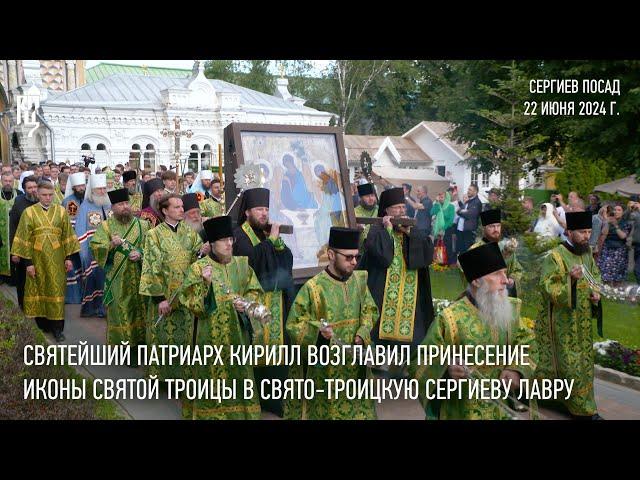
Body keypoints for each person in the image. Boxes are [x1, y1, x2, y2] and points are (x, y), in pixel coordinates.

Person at [410, 242, 536, 420]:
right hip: (461, 410)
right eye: (496, 274)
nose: (506, 280)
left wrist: (517, 370)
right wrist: (447, 370)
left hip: (501, 411)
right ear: (476, 281)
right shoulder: (450, 318)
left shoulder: (511, 311)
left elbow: (528, 343)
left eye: (505, 272)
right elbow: (421, 360)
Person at [285, 227, 379, 420]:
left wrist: (362, 332)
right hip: (326, 373)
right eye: (348, 257)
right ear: (331, 255)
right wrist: (318, 333)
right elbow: (294, 324)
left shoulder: (359, 282)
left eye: (356, 257)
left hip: (356, 369)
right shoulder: (313, 288)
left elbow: (370, 310)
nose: (354, 262)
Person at [179, 215, 264, 420]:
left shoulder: (242, 265)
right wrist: (205, 284)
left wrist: (245, 304)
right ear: (211, 244)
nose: (229, 244)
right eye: (223, 241)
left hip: (237, 338)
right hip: (209, 339)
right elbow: (190, 302)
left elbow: (256, 293)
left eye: (231, 240)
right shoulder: (198, 269)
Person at [358, 187, 434, 375]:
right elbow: (383, 257)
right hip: (383, 293)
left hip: (409, 296)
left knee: (411, 332)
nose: (402, 211)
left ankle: (405, 368)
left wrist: (410, 234)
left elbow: (425, 257)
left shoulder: (411, 230)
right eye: (397, 208)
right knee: (380, 331)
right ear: (386, 211)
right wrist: (388, 232)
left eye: (403, 207)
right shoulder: (377, 231)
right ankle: (378, 367)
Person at [233, 187, 295, 417]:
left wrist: (276, 244)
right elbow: (251, 264)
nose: (264, 213)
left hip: (275, 304)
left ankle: (273, 400)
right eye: (259, 209)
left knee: (276, 355)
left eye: (267, 209)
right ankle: (255, 399)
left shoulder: (264, 233)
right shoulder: (239, 235)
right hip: (252, 304)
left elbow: (286, 260)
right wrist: (271, 242)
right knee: (255, 353)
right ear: (247, 211)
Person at [537, 211, 604, 420]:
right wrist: (570, 279)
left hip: (582, 321)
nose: (586, 236)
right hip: (562, 322)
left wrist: (596, 294)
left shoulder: (586, 253)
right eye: (582, 232)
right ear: (569, 232)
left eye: (589, 232)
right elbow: (546, 285)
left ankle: (581, 403)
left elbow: (595, 277)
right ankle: (582, 411)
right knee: (570, 363)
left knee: (584, 362)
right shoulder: (555, 256)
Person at [139, 194, 203, 384]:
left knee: (183, 339)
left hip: (185, 296)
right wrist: (160, 299)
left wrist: (202, 252)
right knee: (162, 340)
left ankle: (181, 378)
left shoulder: (190, 233)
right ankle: (160, 378)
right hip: (165, 297)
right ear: (165, 210)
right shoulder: (154, 235)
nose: (182, 210)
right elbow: (151, 267)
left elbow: (195, 260)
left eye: (182, 206)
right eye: (176, 207)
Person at [11, 180, 80, 342]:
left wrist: (68, 258)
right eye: (44, 195)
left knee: (56, 292)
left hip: (57, 259)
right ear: (38, 194)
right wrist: (28, 263)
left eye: (50, 195)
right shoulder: (29, 212)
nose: (48, 198)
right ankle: (43, 324)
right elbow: (23, 238)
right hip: (36, 260)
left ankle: (57, 329)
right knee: (39, 290)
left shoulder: (61, 211)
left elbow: (67, 235)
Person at [89, 188, 150, 354]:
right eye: (120, 204)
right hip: (117, 280)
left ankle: (143, 348)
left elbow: (152, 249)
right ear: (113, 207)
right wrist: (110, 245)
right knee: (121, 312)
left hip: (140, 278)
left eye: (126, 203)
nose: (125, 207)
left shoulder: (143, 225)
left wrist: (141, 253)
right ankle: (126, 350)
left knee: (141, 311)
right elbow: (95, 246)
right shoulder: (106, 227)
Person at [468, 209, 523, 298]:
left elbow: (517, 269)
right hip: (483, 298)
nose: (496, 230)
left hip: (504, 296)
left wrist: (512, 280)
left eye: (498, 226)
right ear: (484, 228)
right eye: (492, 226)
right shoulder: (475, 249)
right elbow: (470, 277)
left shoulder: (507, 248)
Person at [9, 175, 39, 308]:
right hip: (23, 247)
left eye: (35, 187)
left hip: (40, 248)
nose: (33, 190)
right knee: (22, 279)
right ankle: (23, 306)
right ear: (24, 189)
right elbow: (13, 227)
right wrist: (14, 251)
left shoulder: (44, 201)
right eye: (29, 187)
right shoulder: (19, 202)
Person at [597, 204, 631, 285]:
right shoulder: (609, 220)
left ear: (623, 212)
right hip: (607, 248)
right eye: (615, 210)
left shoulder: (626, 222)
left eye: (619, 210)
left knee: (618, 273)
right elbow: (603, 233)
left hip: (619, 249)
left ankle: (616, 291)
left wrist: (616, 225)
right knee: (605, 269)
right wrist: (607, 223)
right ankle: (607, 292)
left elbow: (623, 236)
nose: (616, 211)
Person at [455, 183, 483, 255]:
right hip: (461, 230)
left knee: (467, 251)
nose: (468, 191)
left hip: (468, 231)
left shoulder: (477, 202)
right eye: (468, 189)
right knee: (461, 250)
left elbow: (469, 215)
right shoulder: (468, 201)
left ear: (475, 192)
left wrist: (462, 211)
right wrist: (462, 211)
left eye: (470, 190)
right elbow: (458, 211)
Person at [0, 172, 18, 283]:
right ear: (1, 182)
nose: (8, 183)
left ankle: (14, 278)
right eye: (5, 181)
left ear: (14, 182)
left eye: (10, 181)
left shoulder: (19, 195)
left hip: (14, 233)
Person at [430, 190, 456, 265]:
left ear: (446, 198)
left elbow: (450, 220)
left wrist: (443, 229)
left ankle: (447, 263)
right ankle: (437, 261)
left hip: (447, 230)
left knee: (447, 246)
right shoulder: (438, 205)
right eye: (439, 197)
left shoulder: (451, 207)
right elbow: (431, 213)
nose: (440, 198)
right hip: (437, 229)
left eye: (442, 197)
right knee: (436, 245)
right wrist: (436, 203)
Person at [354, 183, 378, 250]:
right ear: (361, 198)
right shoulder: (354, 212)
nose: (371, 199)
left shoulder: (380, 210)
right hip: (361, 252)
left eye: (372, 195)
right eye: (367, 196)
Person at [623, 200, 640, 283]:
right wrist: (629, 209)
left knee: (637, 270)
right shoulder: (635, 214)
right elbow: (624, 219)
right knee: (637, 270)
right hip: (636, 245)